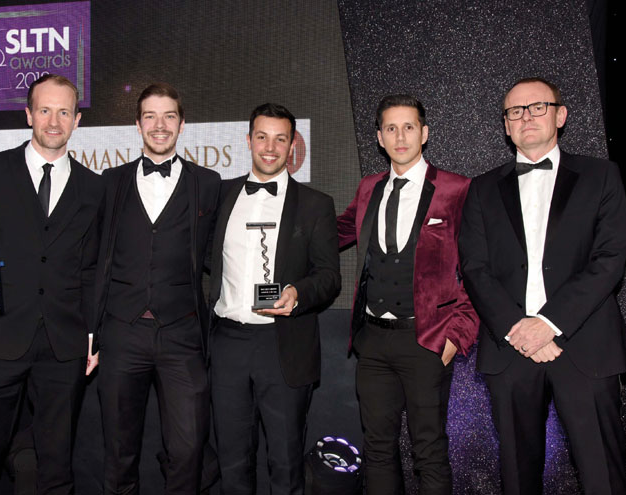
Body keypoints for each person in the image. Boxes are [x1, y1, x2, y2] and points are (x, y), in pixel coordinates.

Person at [459, 77, 626, 494]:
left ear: (561, 115)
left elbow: (610, 259)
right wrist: (519, 329)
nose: (526, 117)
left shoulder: (601, 176)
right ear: (506, 125)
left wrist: (548, 324)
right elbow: (475, 269)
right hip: (510, 350)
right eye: (515, 111)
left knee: (603, 477)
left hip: (585, 347)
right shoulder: (481, 189)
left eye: (538, 107)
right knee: (518, 479)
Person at [0, 74, 102, 494]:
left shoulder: (94, 187)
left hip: (64, 346)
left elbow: (91, 269)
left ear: (77, 120)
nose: (53, 121)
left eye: (63, 112)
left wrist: (93, 334)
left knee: (56, 470)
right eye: (44, 110)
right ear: (29, 114)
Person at [337, 94, 478, 494]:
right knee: (378, 450)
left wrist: (457, 335)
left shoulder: (456, 189)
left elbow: (478, 269)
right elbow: (336, 232)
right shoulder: (369, 187)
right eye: (391, 128)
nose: (400, 137)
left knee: (429, 451)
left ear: (424, 133)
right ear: (379, 137)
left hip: (427, 341)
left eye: (409, 127)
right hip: (372, 342)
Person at [93, 82, 221, 494]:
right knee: (119, 452)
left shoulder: (208, 183)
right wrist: (91, 329)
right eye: (150, 116)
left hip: (182, 333)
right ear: (137, 124)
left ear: (182, 125)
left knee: (188, 450)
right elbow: (90, 256)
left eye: (169, 116)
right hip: (121, 332)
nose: (159, 125)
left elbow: (224, 252)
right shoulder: (110, 182)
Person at [208, 103, 341, 494]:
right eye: (262, 137)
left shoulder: (316, 204)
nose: (270, 147)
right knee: (232, 461)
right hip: (227, 343)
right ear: (248, 140)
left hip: (283, 344)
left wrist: (298, 292)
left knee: (285, 463)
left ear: (292, 145)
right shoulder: (220, 196)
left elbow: (329, 276)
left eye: (280, 139)